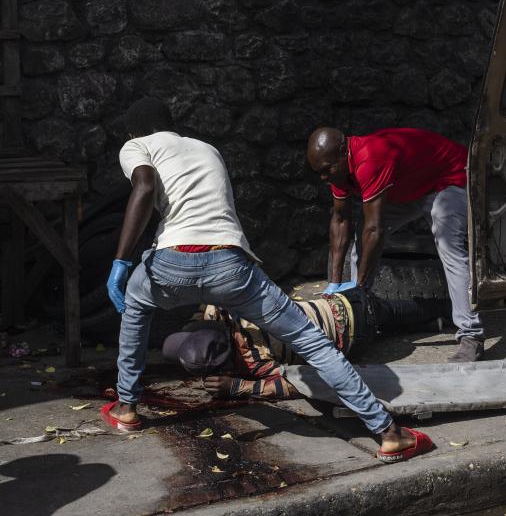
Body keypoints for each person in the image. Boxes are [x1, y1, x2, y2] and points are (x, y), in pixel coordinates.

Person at [102, 97, 433, 464]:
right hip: (230, 265)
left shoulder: (137, 146)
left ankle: (127, 407)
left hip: (172, 264)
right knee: (311, 341)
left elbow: (145, 187)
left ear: (135, 132)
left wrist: (121, 260)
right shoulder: (206, 148)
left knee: (136, 307)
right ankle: (389, 433)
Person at [306, 126, 485, 362]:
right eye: (319, 172)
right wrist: (335, 282)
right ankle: (362, 317)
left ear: (343, 151)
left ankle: (471, 335)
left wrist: (358, 287)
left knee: (449, 245)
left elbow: (375, 228)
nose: (324, 178)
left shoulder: (370, 159)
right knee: (361, 243)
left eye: (327, 170)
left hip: (449, 178)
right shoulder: (337, 168)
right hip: (411, 185)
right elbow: (340, 221)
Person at [163, 285, 450, 400]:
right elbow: (194, 325)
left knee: (395, 313)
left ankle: (453, 309)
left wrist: (239, 386)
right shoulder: (222, 312)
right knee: (392, 323)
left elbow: (300, 385)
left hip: (354, 325)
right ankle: (436, 319)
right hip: (337, 305)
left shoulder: (258, 361)